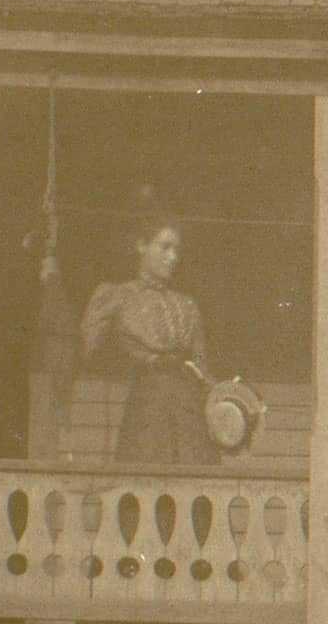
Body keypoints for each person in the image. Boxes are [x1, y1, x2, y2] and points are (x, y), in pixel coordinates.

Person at [79, 196, 223, 470]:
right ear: (141, 245)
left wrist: (225, 402)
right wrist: (139, 359)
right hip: (147, 413)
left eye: (177, 250)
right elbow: (90, 350)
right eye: (165, 247)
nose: (173, 257)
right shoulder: (118, 296)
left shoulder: (187, 305)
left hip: (190, 418)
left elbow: (203, 370)